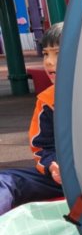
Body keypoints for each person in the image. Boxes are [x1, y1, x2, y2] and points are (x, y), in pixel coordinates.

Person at [0, 23, 65, 215]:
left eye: (58, 53)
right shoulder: (48, 101)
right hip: (65, 177)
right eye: (46, 54)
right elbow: (43, 145)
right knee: (7, 181)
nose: (49, 62)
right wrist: (52, 166)